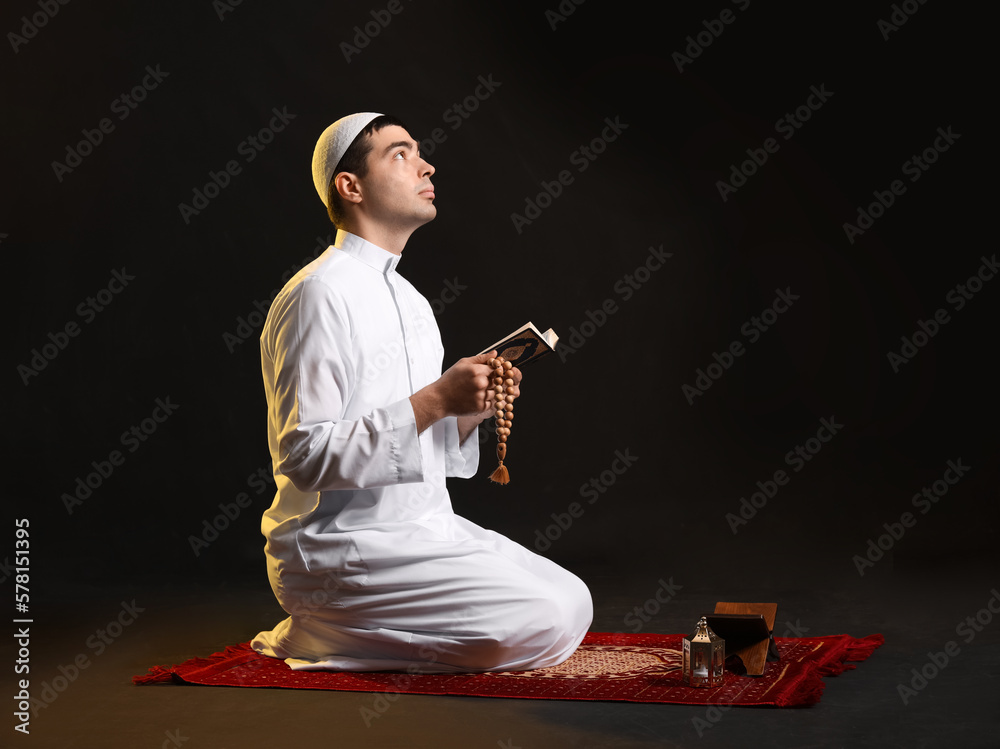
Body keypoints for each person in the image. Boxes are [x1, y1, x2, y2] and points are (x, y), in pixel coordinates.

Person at [250, 112, 593, 673]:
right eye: (400, 153)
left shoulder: (412, 301)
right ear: (350, 185)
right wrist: (437, 400)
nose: (427, 164)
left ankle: (349, 632)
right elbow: (304, 456)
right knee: (543, 619)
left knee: (573, 600)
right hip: (340, 548)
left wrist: (467, 409)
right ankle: (321, 629)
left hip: (424, 529)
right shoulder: (316, 295)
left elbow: (429, 457)